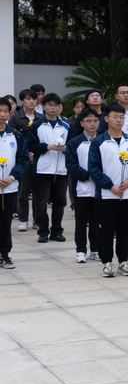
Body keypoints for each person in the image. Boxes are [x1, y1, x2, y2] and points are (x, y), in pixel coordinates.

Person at [88, 103, 128, 277]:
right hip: (106, 195)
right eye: (115, 117)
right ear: (106, 119)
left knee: (125, 229)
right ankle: (107, 262)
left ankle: (124, 260)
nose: (119, 120)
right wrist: (109, 185)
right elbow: (93, 168)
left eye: (121, 117)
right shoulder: (99, 142)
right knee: (105, 230)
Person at [26, 93, 71, 243]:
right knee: (40, 203)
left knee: (60, 203)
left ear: (60, 107)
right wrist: (46, 147)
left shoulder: (66, 126)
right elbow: (31, 145)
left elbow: (72, 147)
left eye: (56, 105)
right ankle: (43, 231)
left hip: (61, 170)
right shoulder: (37, 125)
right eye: (49, 105)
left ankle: (57, 231)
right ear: (43, 106)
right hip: (42, 170)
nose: (53, 108)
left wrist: (65, 148)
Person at [65, 109, 102, 263]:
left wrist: (100, 177)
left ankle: (95, 250)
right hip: (81, 188)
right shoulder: (74, 143)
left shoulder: (104, 140)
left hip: (100, 188)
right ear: (81, 123)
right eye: (88, 121)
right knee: (81, 221)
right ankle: (80, 250)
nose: (92, 124)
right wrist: (88, 176)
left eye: (95, 121)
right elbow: (71, 165)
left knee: (97, 221)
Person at [0, 96, 30, 268]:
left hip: (9, 187)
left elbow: (23, 159)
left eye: (6, 111)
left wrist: (11, 177)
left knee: (5, 223)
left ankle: (4, 254)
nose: (2, 114)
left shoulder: (15, 135)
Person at [10, 88, 42, 232]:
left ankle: (37, 219)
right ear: (22, 101)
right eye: (28, 99)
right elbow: (13, 140)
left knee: (39, 192)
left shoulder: (41, 118)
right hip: (23, 160)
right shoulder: (15, 118)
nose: (31, 101)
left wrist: (36, 153)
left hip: (39, 160)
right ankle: (23, 219)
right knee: (22, 192)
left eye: (33, 99)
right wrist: (25, 154)